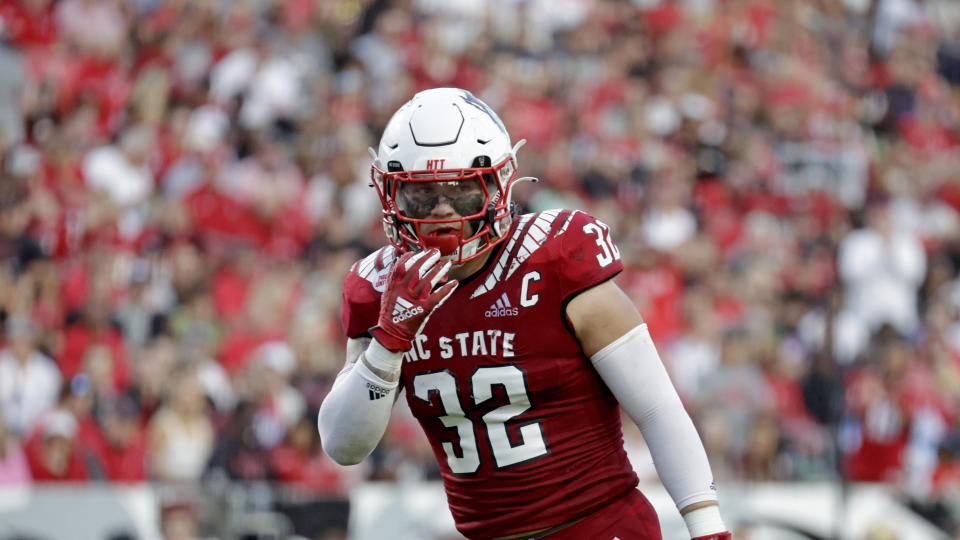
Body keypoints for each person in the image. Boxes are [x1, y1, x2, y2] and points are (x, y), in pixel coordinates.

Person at [318, 88, 730, 540]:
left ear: (498, 186)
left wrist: (706, 526)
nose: (442, 212)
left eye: (460, 191)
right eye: (422, 195)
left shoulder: (554, 257)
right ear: (391, 195)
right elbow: (343, 445)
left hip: (597, 528)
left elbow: (656, 408)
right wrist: (389, 342)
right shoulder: (378, 287)